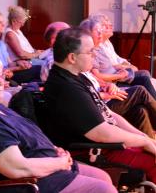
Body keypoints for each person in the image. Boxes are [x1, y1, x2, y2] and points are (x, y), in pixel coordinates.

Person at [0, 52, 117, 193]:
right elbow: (16, 168)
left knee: (103, 177)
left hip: (43, 171)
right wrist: (57, 163)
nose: (1, 81)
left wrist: (51, 150)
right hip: (28, 184)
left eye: (1, 75)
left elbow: (25, 136)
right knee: (103, 189)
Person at [43, 27, 156, 183]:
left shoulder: (77, 77)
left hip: (106, 146)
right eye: (90, 52)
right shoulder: (65, 87)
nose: (94, 56)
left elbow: (108, 113)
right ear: (72, 57)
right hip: (94, 152)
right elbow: (102, 133)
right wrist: (143, 141)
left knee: (143, 124)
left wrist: (143, 137)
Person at [80, 18, 156, 99]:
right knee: (141, 86)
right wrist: (119, 76)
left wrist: (125, 67)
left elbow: (117, 60)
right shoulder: (88, 53)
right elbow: (95, 76)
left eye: (100, 30)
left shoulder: (104, 45)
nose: (100, 33)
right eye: (98, 30)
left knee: (144, 79)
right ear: (87, 34)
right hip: (113, 83)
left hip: (113, 82)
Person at [0, 10, 41, 85]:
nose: (3, 24)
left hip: (11, 72)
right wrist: (17, 68)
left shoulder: (1, 43)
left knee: (41, 70)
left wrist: (19, 63)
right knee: (40, 70)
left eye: (3, 22)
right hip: (4, 76)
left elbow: (10, 63)